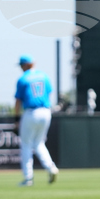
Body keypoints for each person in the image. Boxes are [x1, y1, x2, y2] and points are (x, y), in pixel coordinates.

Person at [14, 55, 59, 186]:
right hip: (46, 111)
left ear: (25, 65)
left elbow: (18, 101)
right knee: (39, 143)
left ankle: (28, 178)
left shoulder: (23, 79)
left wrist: (16, 119)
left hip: (31, 112)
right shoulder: (44, 76)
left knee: (26, 145)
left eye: (21, 65)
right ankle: (50, 167)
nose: (21, 68)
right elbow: (49, 93)